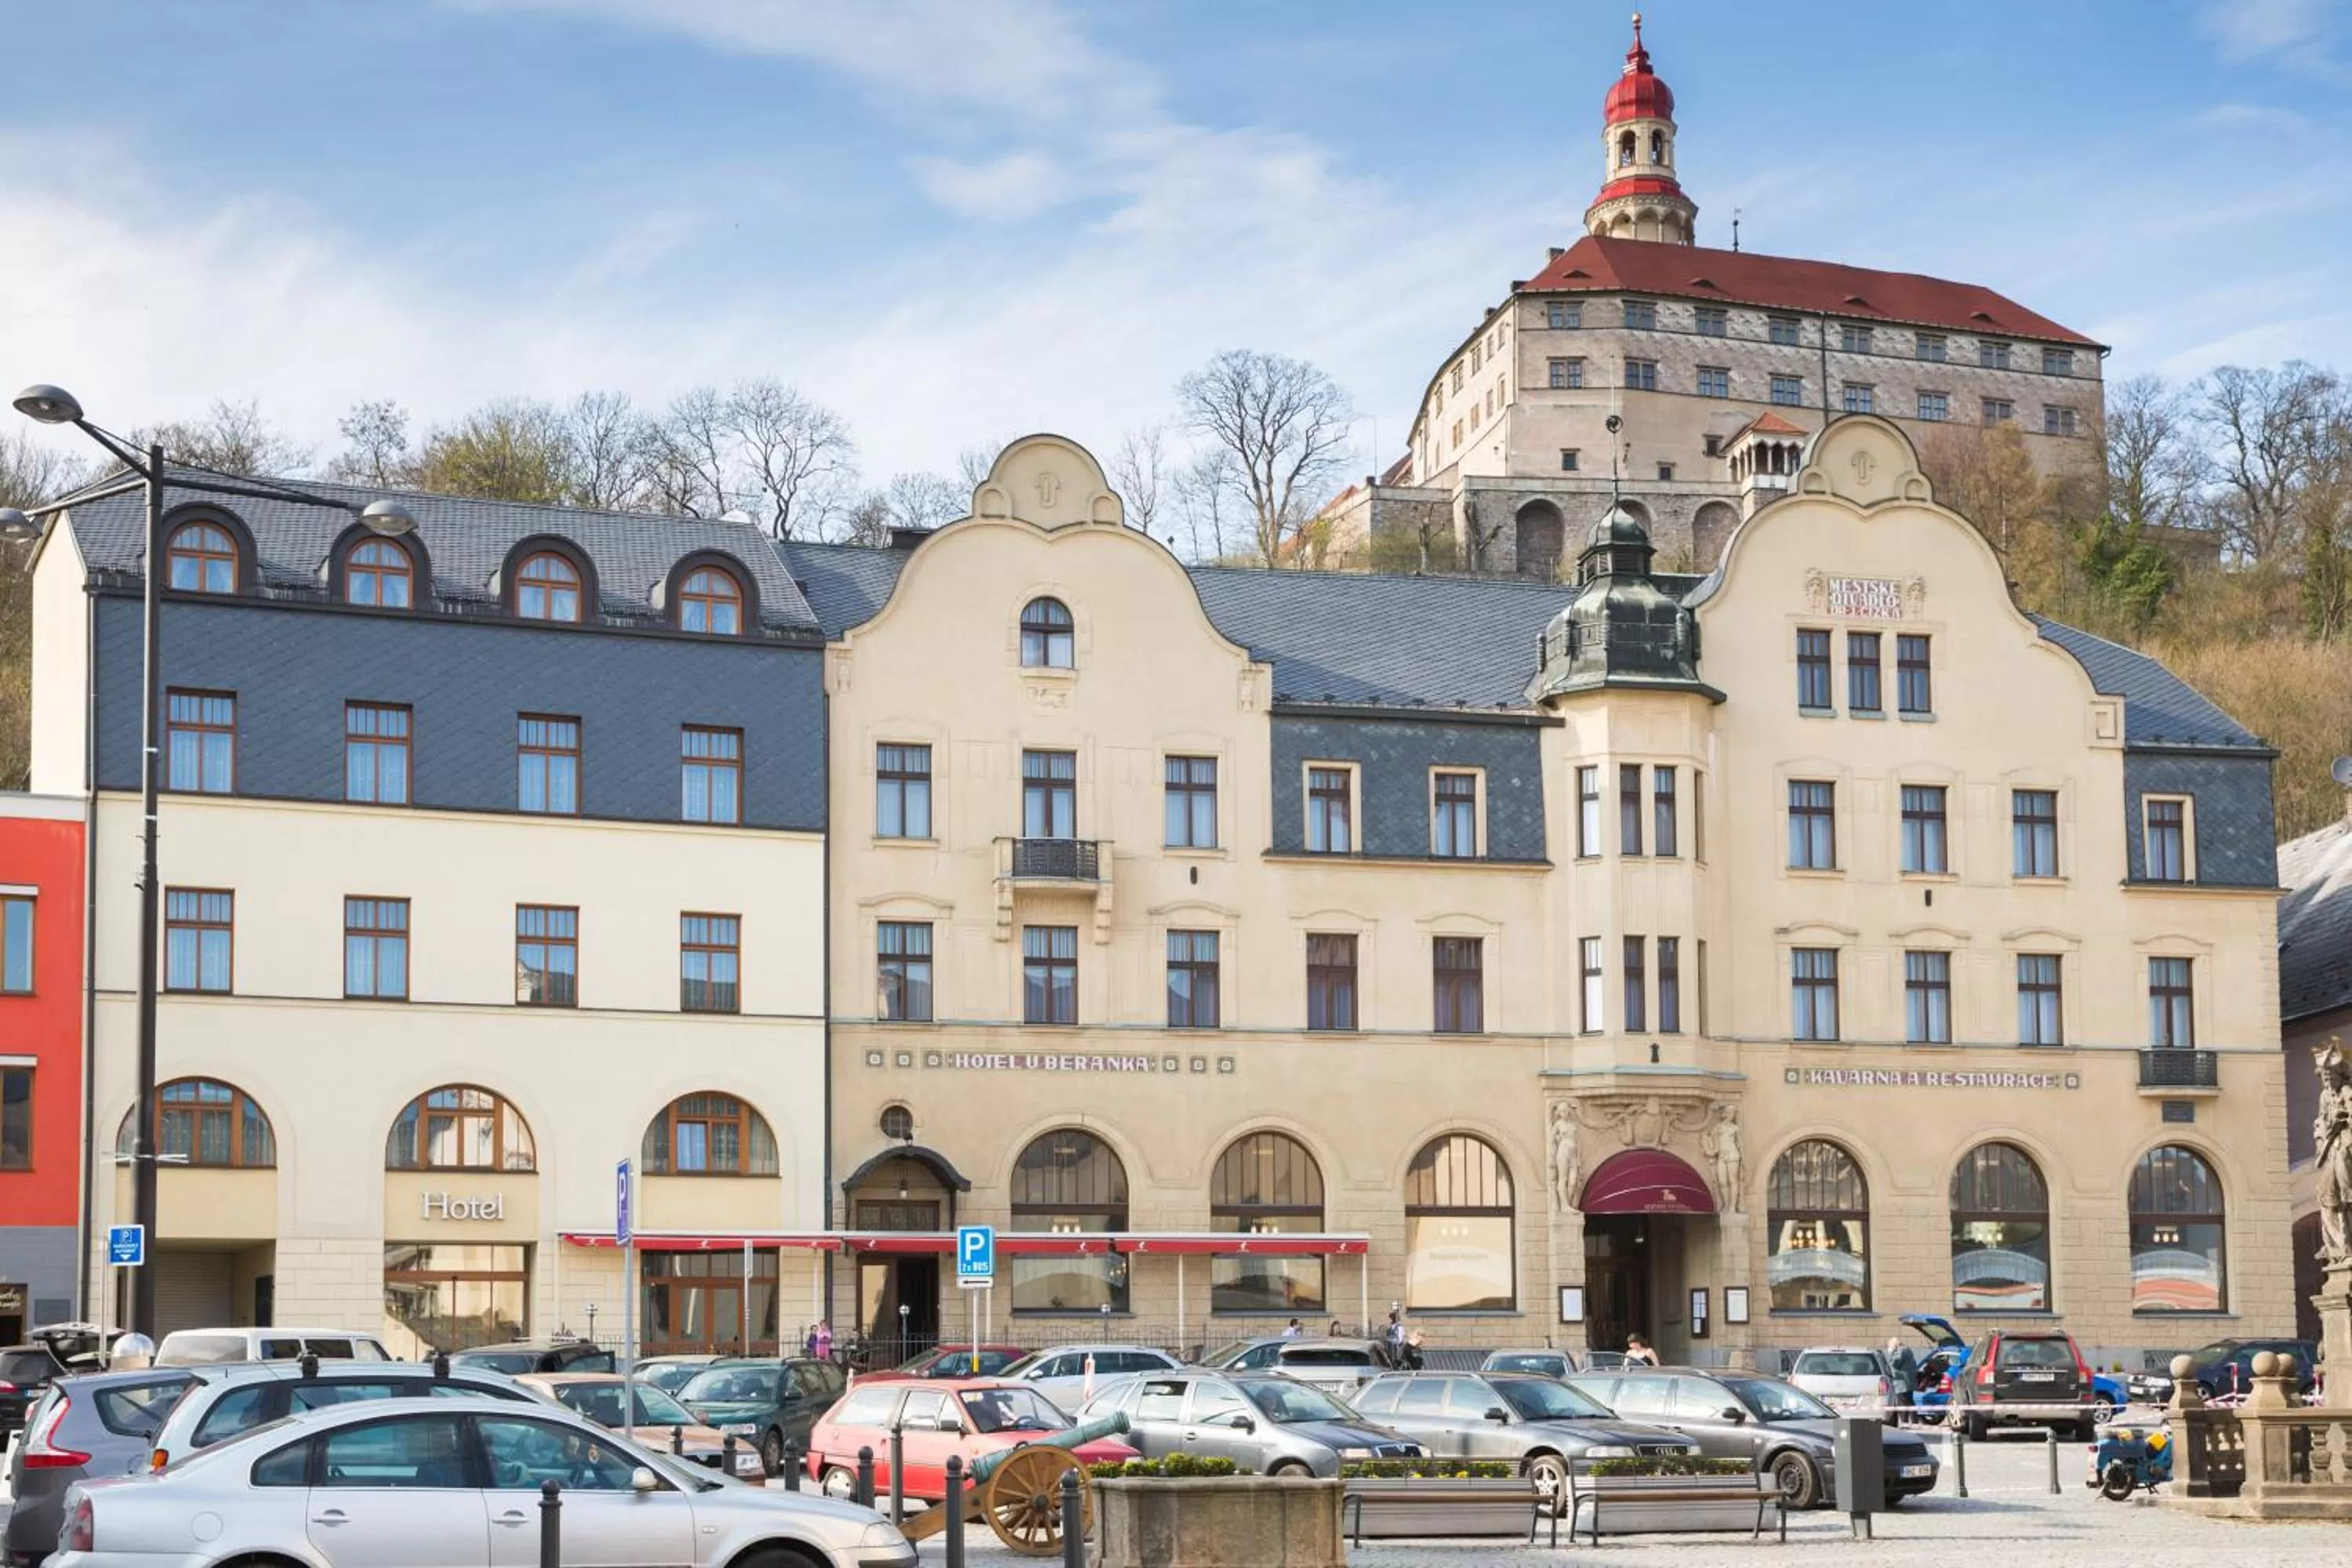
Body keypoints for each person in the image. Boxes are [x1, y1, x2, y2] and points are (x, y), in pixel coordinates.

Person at [1886, 1336, 1918, 1420]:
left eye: (1889, 1346)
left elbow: (1894, 1363)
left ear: (1894, 1345)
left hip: (1901, 1382)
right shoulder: (1908, 1351)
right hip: (1909, 1381)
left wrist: (1891, 1353)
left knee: (1903, 1403)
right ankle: (1913, 1421)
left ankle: (1905, 1421)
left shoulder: (1899, 1351)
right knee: (1909, 1402)